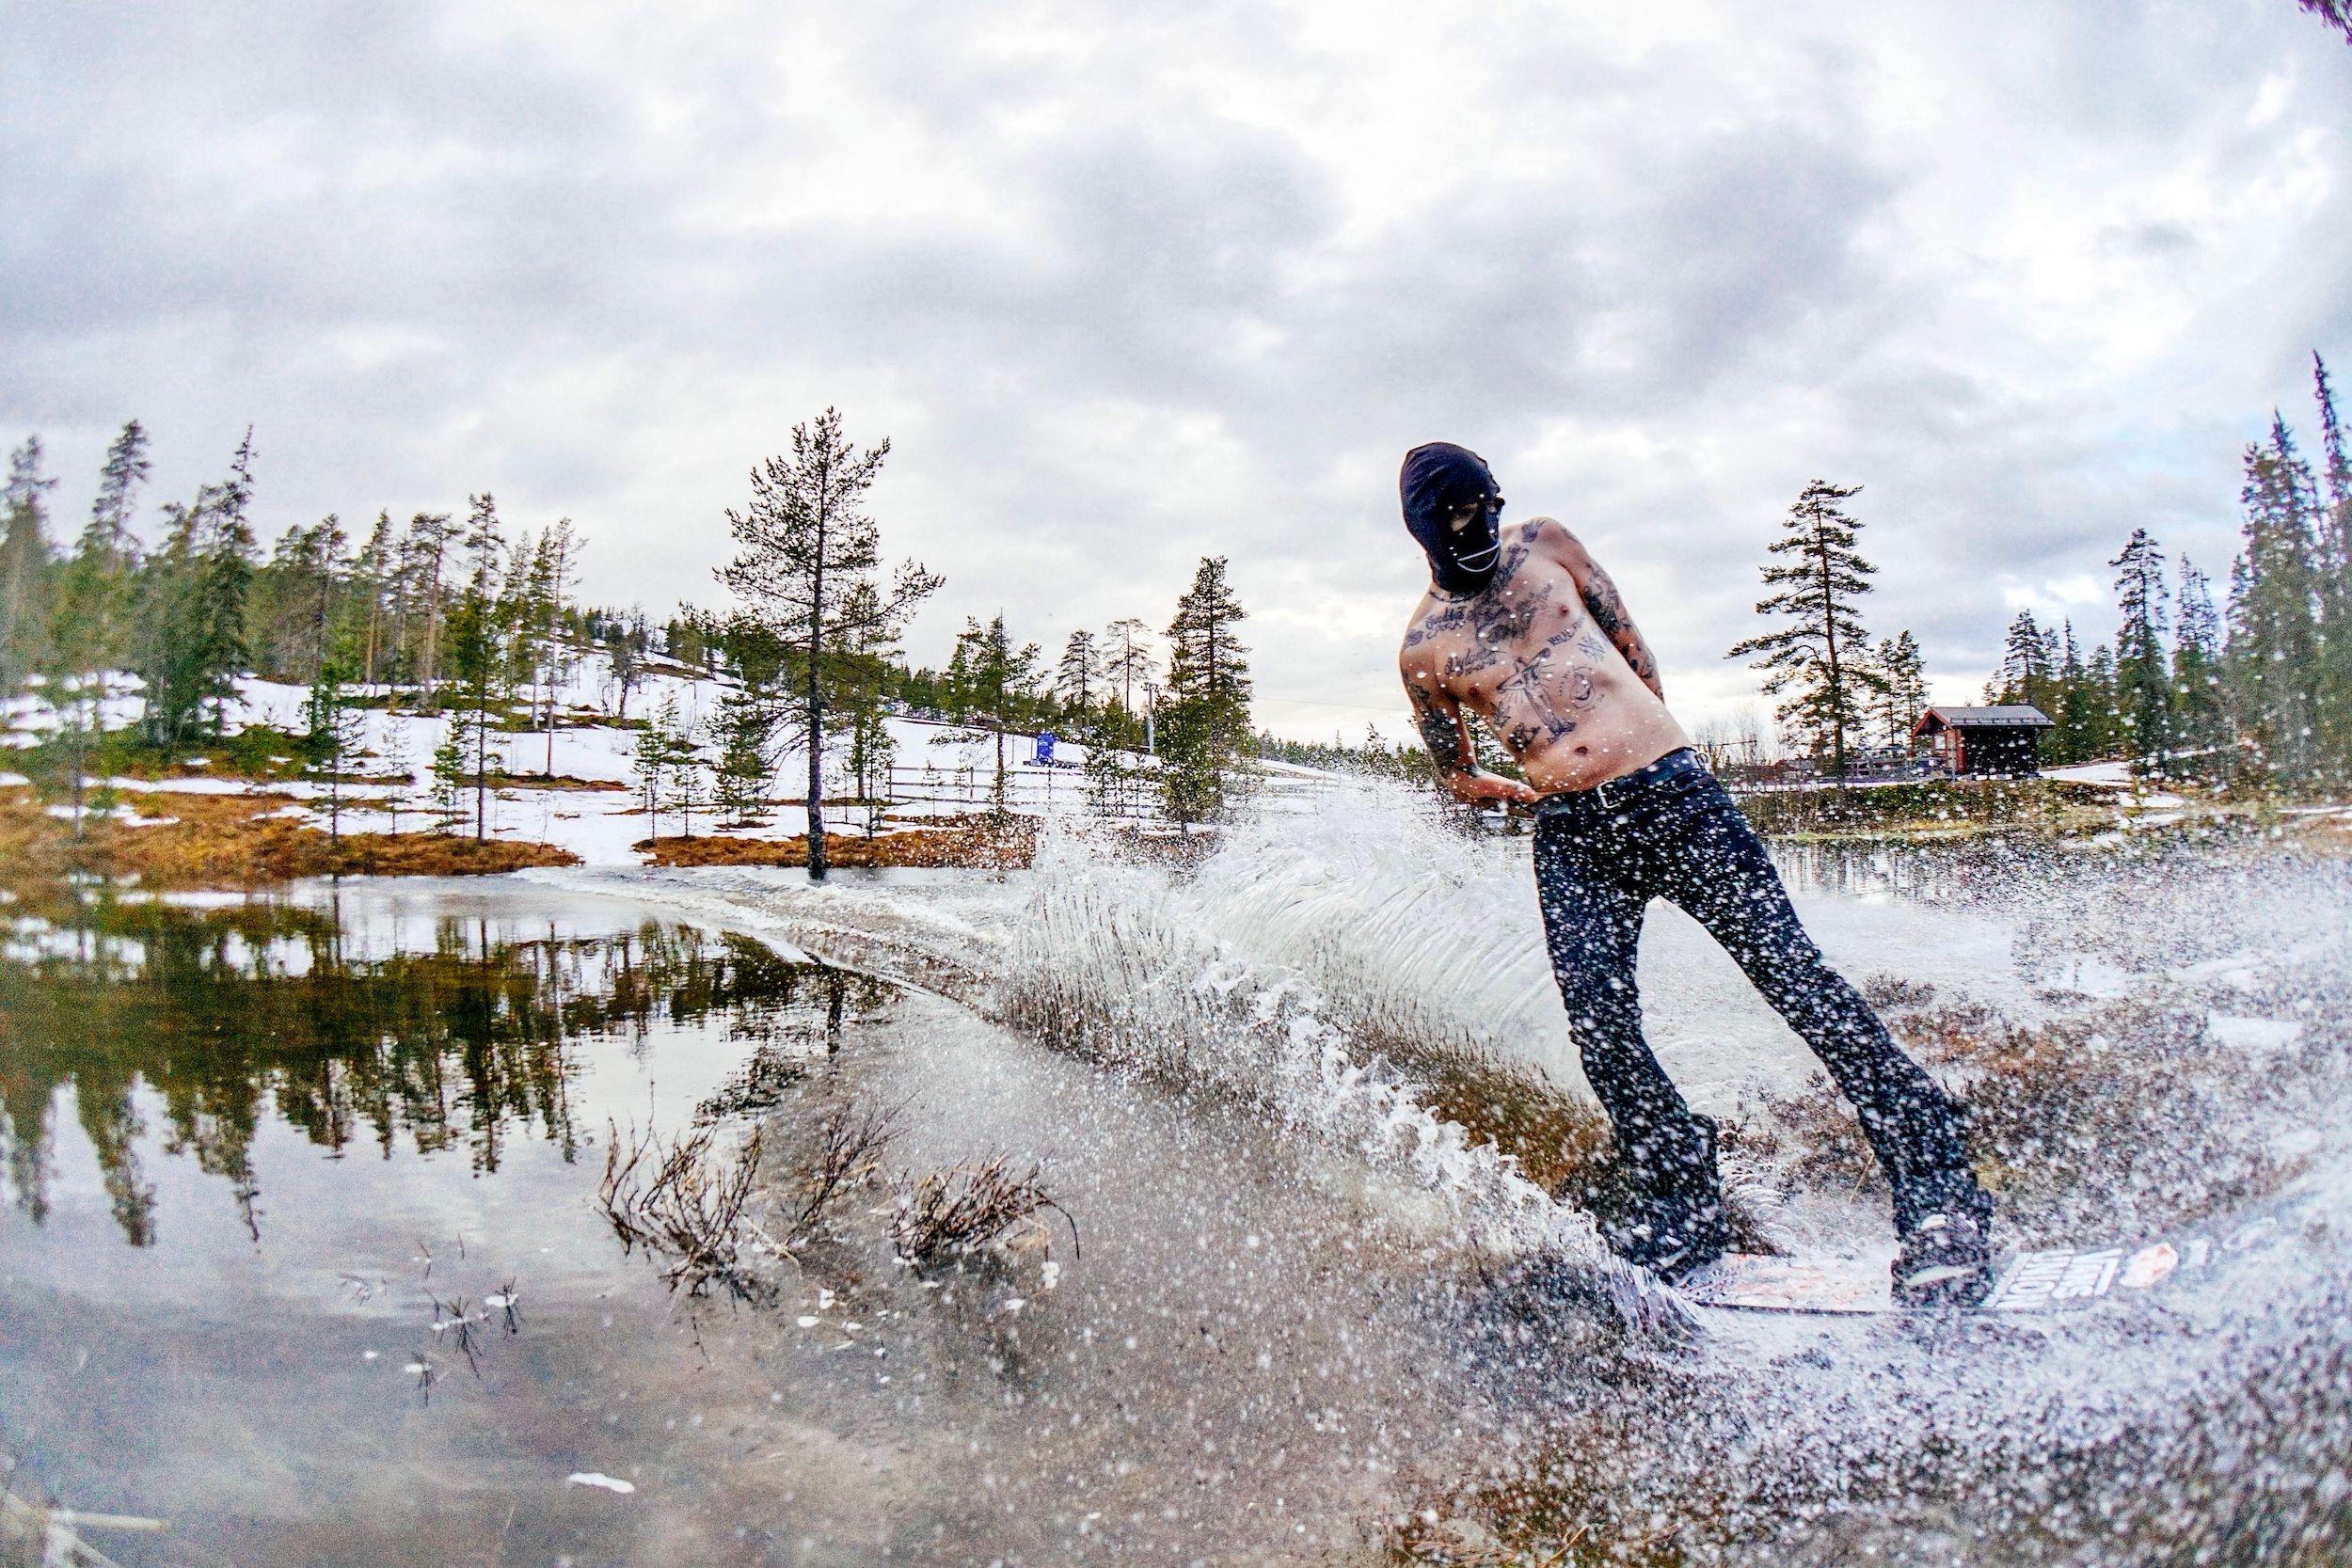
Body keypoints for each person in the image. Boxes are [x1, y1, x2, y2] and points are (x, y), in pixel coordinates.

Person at [1393, 441, 1994, 1307]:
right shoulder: (1423, 649)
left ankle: (1937, 1185)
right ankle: (1684, 1195)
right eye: (1456, 522)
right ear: (1424, 533)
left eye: (1485, 506)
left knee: (1794, 979)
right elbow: (1453, 772)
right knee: (1601, 1029)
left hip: (1674, 796)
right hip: (1572, 837)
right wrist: (1532, 796)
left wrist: (1649, 744)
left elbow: (1631, 645)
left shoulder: (1547, 542)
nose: (1479, 528)